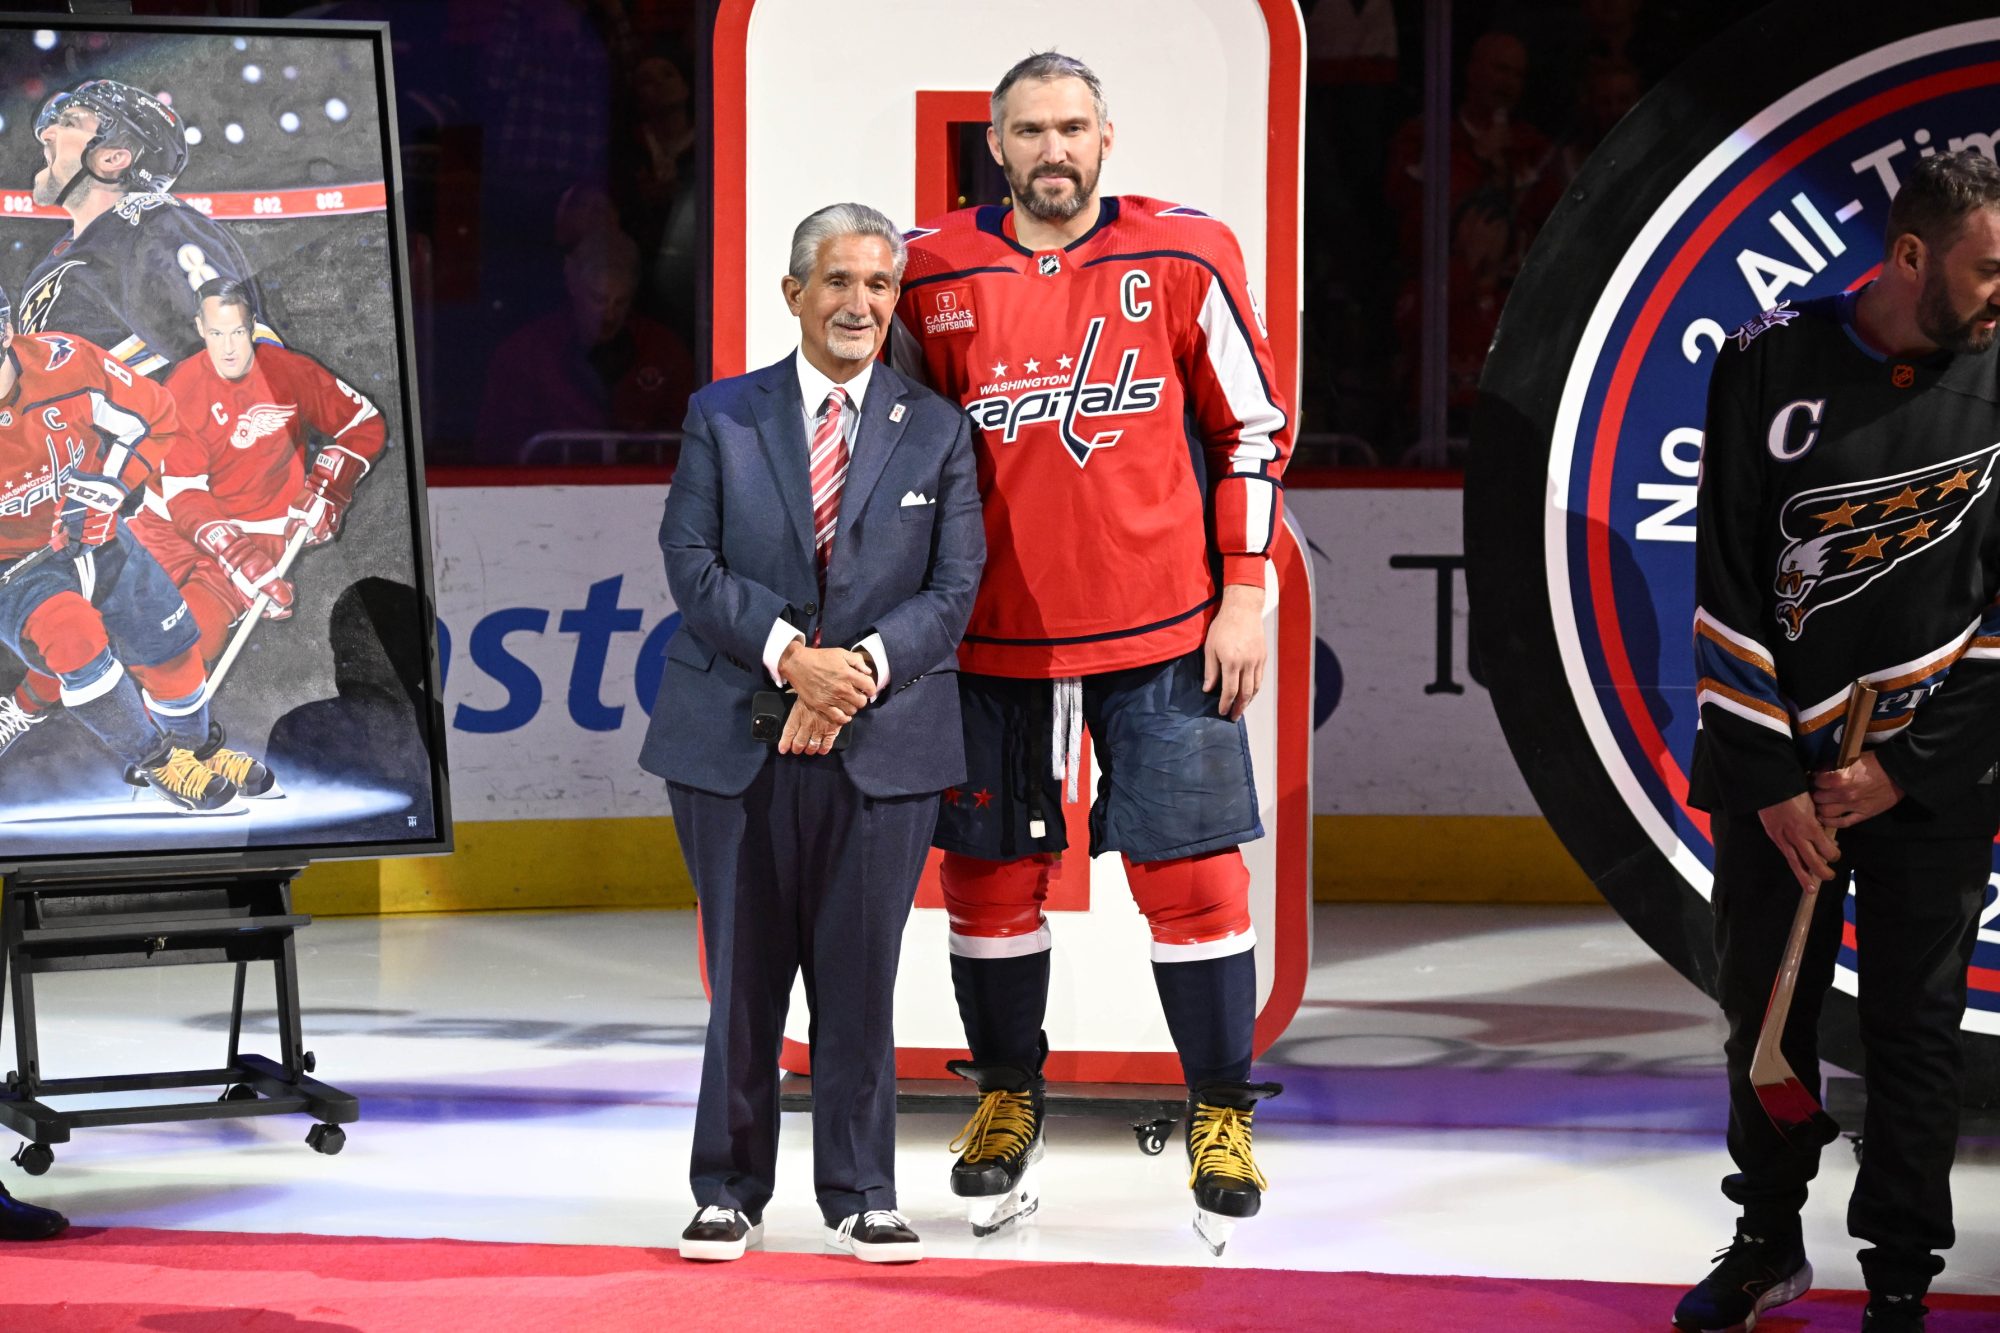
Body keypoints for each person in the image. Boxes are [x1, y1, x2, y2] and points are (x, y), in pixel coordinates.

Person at [888, 51, 1292, 1254]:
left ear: (1104, 138)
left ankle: (1219, 1113)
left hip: (1167, 628)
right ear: (996, 147)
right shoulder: (931, 269)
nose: (1050, 149)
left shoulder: (1184, 251)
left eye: (1070, 127)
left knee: (1192, 882)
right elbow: (896, 461)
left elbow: (1251, 429)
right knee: (986, 884)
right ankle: (1007, 1098)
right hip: (987, 638)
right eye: (1027, 131)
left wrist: (1246, 591)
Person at [1679, 150, 2000, 1333]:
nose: (1998, 289)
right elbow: (1721, 575)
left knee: (1913, 1029)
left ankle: (1900, 1275)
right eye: (1984, 267)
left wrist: (1897, 769)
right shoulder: (1765, 361)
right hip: (1777, 777)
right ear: (1908, 255)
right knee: (1764, 1011)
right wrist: (1773, 779)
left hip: (1931, 779)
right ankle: (1765, 1240)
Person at [639, 202, 983, 1264]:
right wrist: (793, 657)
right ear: (793, 294)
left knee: (857, 974)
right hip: (730, 737)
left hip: (882, 748)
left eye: (880, 286)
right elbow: (690, 562)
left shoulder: (935, 426)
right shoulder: (723, 414)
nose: (861, 305)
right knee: (742, 973)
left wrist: (854, 674)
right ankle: (727, 1187)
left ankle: (864, 1190)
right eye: (839, 282)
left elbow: (954, 585)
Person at [0, 287, 274, 811]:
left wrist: (108, 487)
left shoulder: (65, 360)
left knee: (169, 647)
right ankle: (156, 760)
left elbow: (155, 416)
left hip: (102, 535)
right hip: (14, 566)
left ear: (7, 333)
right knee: (73, 637)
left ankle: (196, 750)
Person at [127, 278, 388, 664]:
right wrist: (233, 552)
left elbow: (364, 423)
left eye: (236, 332)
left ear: (251, 326)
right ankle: (37, 703)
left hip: (261, 531)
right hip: (169, 524)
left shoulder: (289, 371)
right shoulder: (184, 385)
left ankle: (172, 722)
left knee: (188, 647)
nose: (229, 348)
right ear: (200, 328)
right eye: (216, 333)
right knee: (94, 615)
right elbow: (184, 495)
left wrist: (329, 489)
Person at [17, 79, 274, 377]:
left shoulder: (149, 222)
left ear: (112, 158)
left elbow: (240, 368)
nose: (47, 132)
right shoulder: (53, 265)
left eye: (69, 122)